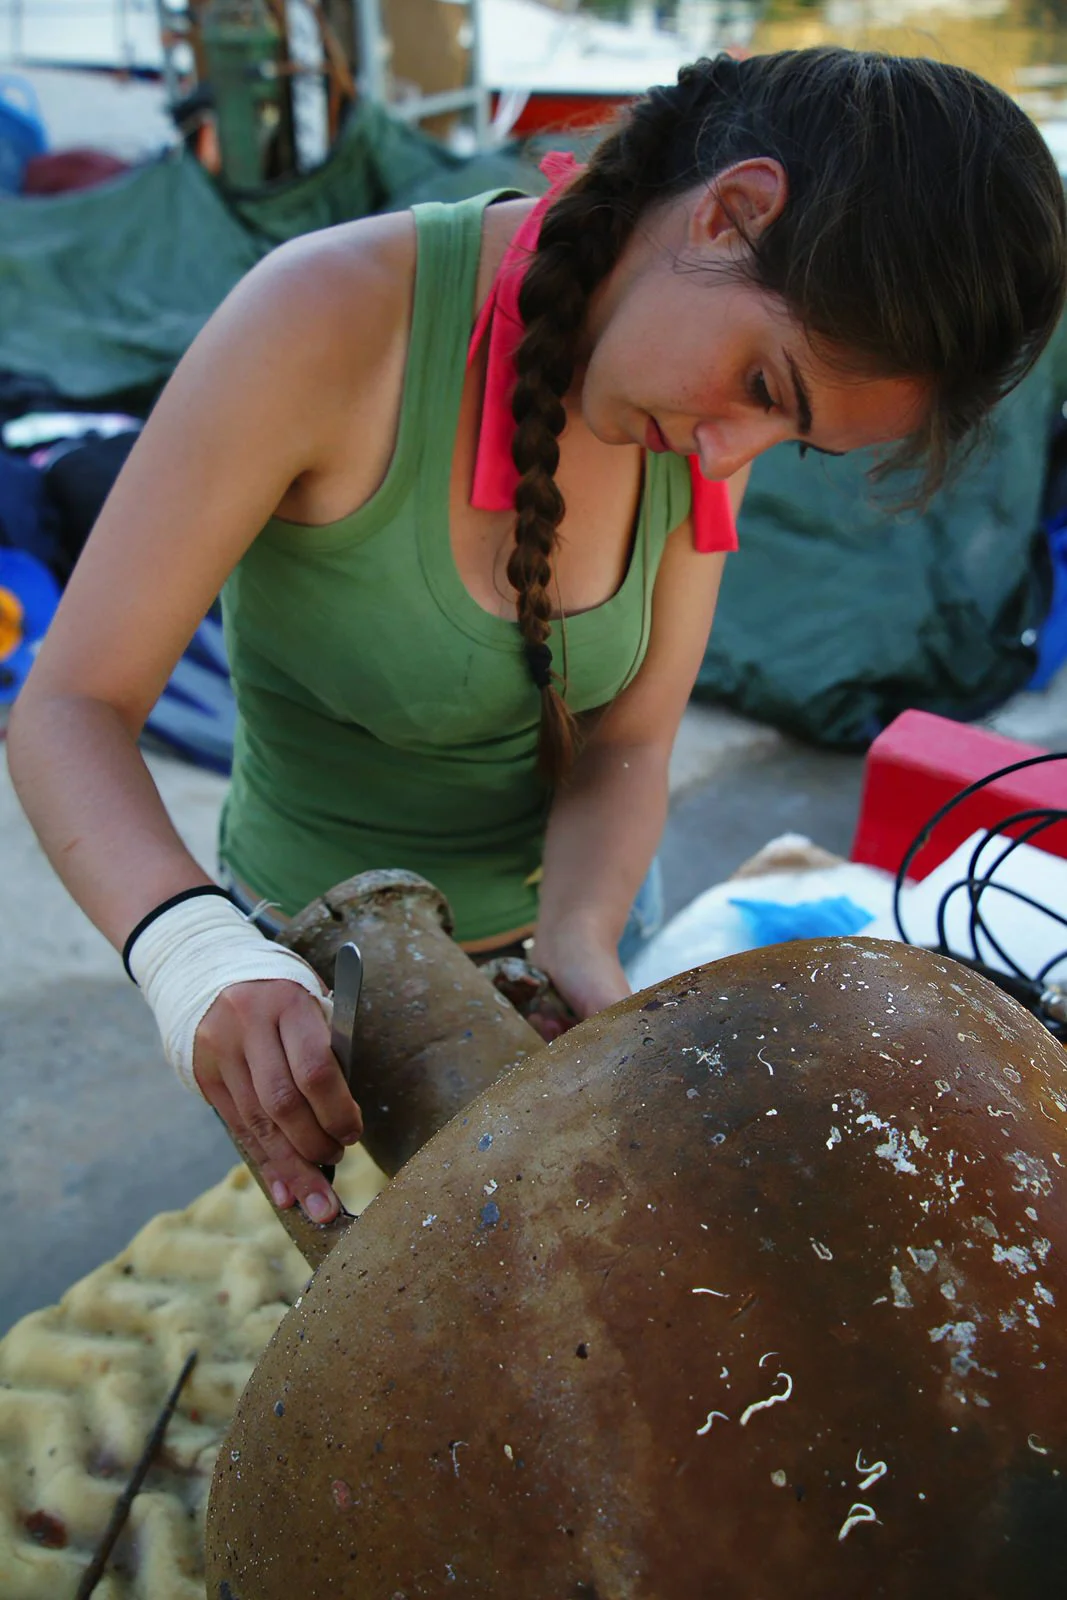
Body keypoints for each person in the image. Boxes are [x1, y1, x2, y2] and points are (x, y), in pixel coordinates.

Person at [9, 47, 1066, 1227]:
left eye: (792, 436)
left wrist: (580, 943)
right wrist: (190, 952)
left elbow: (631, 741)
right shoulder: (326, 318)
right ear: (729, 212)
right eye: (766, 386)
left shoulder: (697, 418)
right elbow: (70, 707)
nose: (727, 455)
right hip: (306, 964)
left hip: (565, 925)